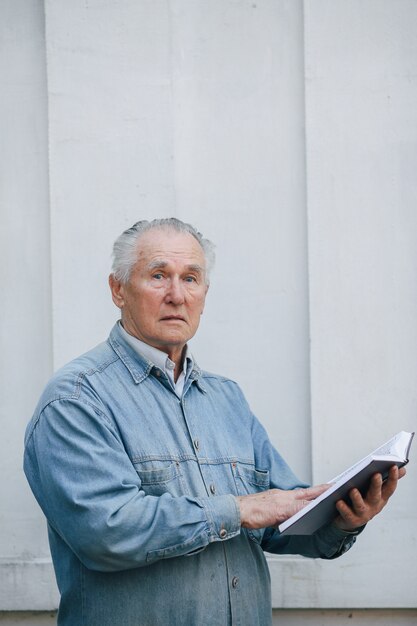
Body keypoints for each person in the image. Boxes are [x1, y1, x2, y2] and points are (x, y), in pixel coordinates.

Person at [24, 218, 405, 626]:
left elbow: (277, 520)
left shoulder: (226, 399)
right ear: (118, 289)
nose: (176, 295)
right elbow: (106, 533)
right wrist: (236, 510)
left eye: (191, 278)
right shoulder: (76, 399)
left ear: (204, 294)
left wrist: (344, 517)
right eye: (158, 276)